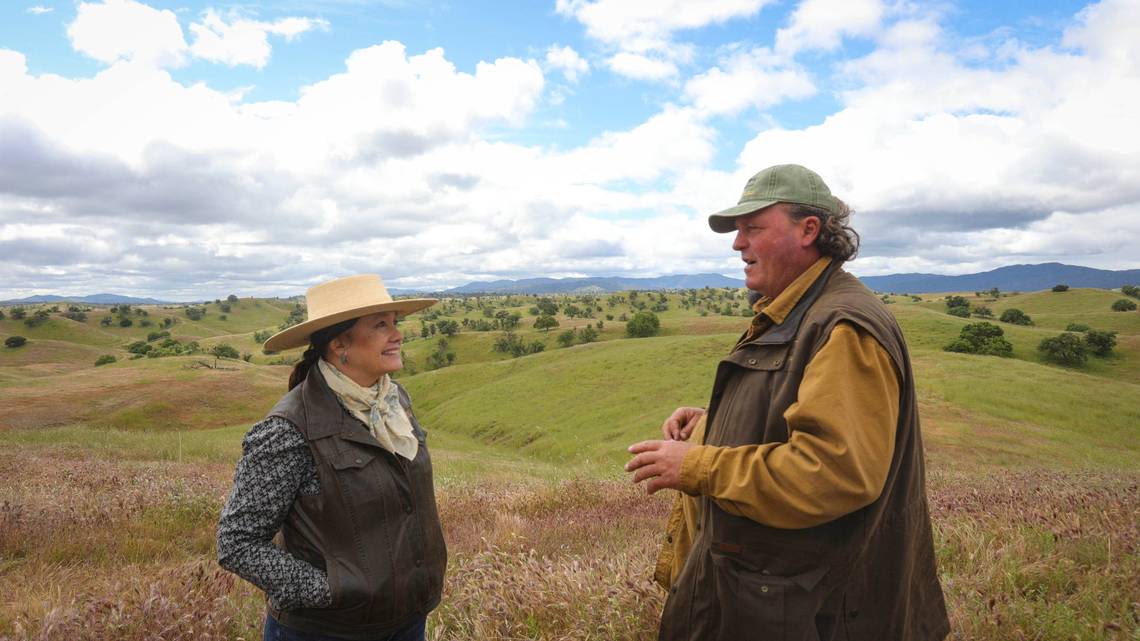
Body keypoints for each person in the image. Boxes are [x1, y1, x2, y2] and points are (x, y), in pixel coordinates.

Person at [625, 164, 949, 640]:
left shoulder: (841, 325)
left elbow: (833, 472)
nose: (738, 244)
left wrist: (699, 466)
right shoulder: (798, 309)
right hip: (775, 600)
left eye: (753, 228)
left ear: (808, 230)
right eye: (738, 231)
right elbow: (792, 410)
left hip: (811, 612)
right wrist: (713, 423)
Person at [218, 274, 447, 641]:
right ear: (340, 343)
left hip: (406, 621)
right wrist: (334, 591)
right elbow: (237, 542)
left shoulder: (393, 401)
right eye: (380, 325)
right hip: (328, 631)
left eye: (395, 323)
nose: (397, 334)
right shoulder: (288, 430)